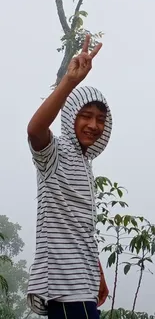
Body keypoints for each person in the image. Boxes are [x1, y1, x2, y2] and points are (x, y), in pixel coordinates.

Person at [27, 35, 112, 319]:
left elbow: (78, 227)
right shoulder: (55, 153)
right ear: (70, 117)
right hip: (64, 289)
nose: (93, 125)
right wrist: (70, 82)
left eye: (100, 119)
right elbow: (35, 130)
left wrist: (97, 271)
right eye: (85, 116)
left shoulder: (84, 162)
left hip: (82, 285)